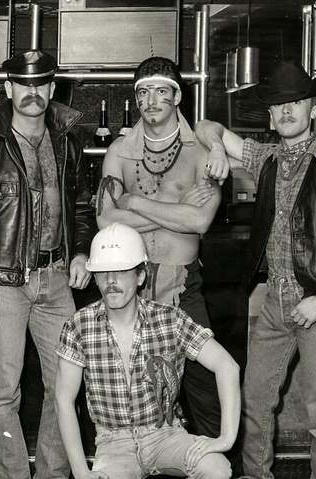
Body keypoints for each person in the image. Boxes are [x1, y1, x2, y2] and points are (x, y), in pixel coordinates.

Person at [195, 60, 316, 479]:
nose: (287, 110)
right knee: (254, 401)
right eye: (279, 104)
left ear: (314, 109)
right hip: (274, 302)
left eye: (297, 101)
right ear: (271, 115)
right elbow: (206, 126)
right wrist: (218, 149)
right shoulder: (266, 158)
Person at [0, 50, 97, 479]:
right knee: (3, 394)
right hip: (5, 284)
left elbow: (80, 207)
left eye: (40, 84)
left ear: (52, 89)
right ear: (9, 88)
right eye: (23, 84)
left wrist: (81, 252)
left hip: (57, 279)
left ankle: (52, 477)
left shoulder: (67, 142)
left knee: (66, 388)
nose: (32, 92)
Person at [95, 56, 226, 439]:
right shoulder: (119, 151)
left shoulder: (201, 150)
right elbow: (105, 220)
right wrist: (178, 208)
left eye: (160, 91)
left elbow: (200, 222)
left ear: (177, 96)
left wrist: (133, 203)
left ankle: (215, 464)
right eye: (143, 92)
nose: (151, 101)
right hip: (132, 286)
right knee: (135, 388)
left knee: (205, 390)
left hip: (184, 287)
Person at [55, 222, 240, 479]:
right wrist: (81, 472)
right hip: (113, 442)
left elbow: (227, 366)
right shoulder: (79, 326)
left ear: (140, 276)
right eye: (103, 272)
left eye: (121, 271)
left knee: (216, 468)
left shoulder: (170, 319)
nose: (111, 281)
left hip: (165, 434)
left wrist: (226, 438)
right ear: (94, 277)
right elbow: (63, 400)